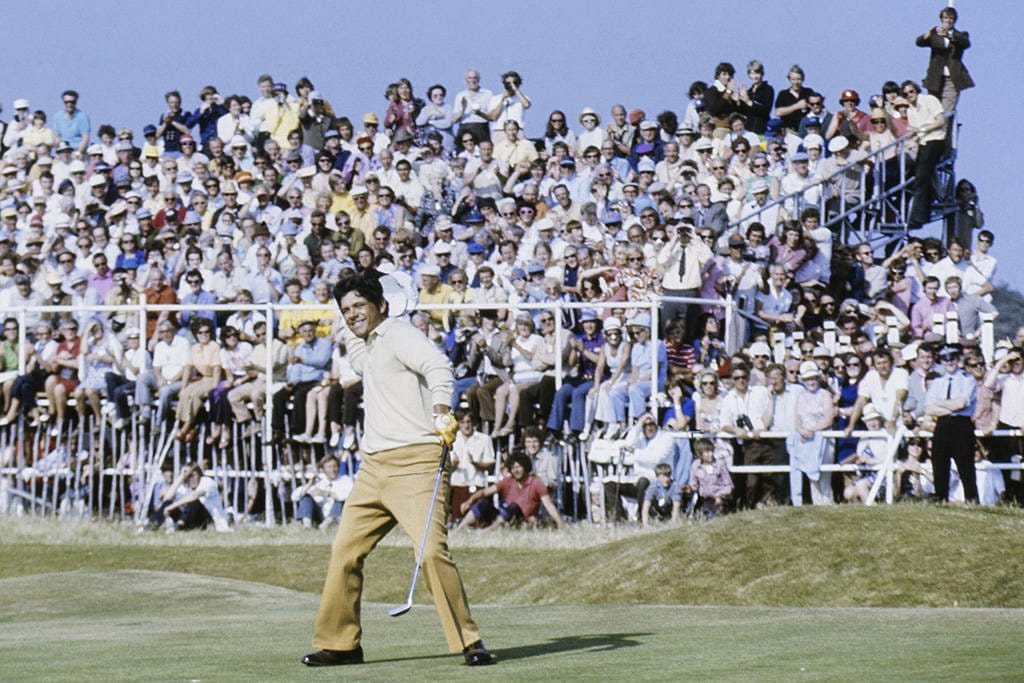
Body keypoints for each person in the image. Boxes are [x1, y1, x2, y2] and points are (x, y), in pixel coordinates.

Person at [305, 273, 492, 668]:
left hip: (418, 464)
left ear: (382, 306)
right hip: (372, 468)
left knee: (430, 554)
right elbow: (355, 348)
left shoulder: (400, 334)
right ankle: (341, 644)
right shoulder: (366, 344)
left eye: (360, 306)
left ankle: (469, 641)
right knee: (344, 552)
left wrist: (442, 410)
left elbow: (440, 368)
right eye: (347, 309)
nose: (353, 314)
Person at [924, 344, 978, 504]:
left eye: (953, 358)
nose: (949, 362)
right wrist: (950, 406)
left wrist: (941, 404)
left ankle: (971, 500)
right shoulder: (937, 381)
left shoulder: (967, 379)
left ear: (958, 359)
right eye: (945, 359)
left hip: (961, 425)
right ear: (941, 361)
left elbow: (961, 404)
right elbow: (929, 408)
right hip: (942, 425)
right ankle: (941, 498)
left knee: (965, 465)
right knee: (939, 462)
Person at [459, 452, 565, 530]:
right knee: (482, 503)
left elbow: (549, 505)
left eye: (519, 467)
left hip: (522, 521)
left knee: (514, 507)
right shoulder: (508, 481)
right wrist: (469, 501)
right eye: (513, 468)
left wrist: (561, 524)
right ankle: (459, 529)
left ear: (525, 467)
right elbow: (484, 492)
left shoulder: (536, 483)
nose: (516, 470)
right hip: (504, 518)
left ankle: (489, 531)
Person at [915, 6, 974, 113]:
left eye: (951, 18)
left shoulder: (961, 35)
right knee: (933, 111)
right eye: (946, 18)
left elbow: (965, 43)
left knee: (946, 111)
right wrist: (927, 35)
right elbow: (919, 42)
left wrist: (948, 35)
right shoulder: (935, 35)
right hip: (935, 78)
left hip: (951, 79)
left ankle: (946, 129)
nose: (948, 21)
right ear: (942, 19)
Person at [686, 437, 734, 518]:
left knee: (715, 516)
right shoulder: (696, 465)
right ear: (700, 454)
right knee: (697, 517)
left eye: (712, 451)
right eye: (707, 452)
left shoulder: (720, 464)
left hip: (720, 498)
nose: (711, 454)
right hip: (704, 498)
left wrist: (719, 495)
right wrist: (689, 489)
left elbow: (729, 485)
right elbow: (694, 484)